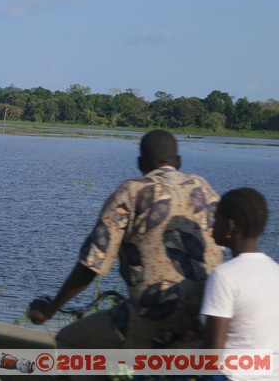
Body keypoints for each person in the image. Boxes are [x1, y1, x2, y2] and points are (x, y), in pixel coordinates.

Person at [29, 129, 223, 349]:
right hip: (207, 319)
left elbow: (91, 264)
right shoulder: (206, 191)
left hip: (152, 318)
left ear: (140, 163)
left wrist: (50, 309)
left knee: (68, 339)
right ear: (178, 161)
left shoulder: (132, 192)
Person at [200, 187, 279, 380]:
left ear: (230, 225)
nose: (211, 227)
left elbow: (213, 359)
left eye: (216, 219)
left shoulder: (224, 276)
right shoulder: (275, 272)